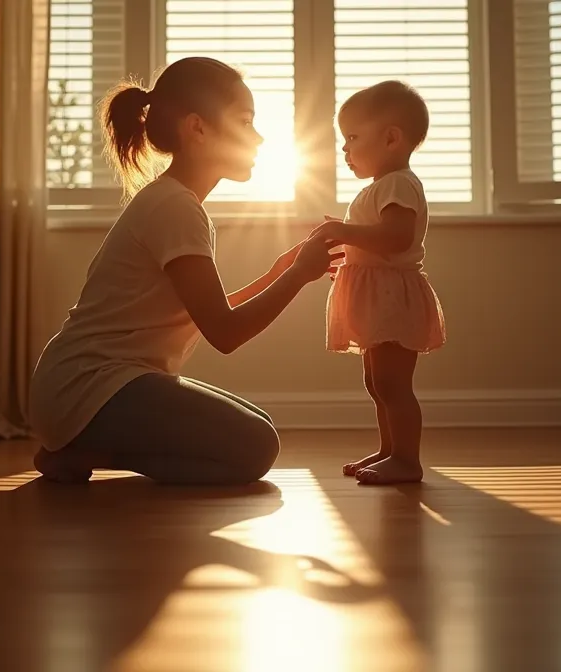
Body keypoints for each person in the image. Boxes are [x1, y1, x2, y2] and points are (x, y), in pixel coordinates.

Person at [29, 57, 342, 486]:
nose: (259, 137)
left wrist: (277, 273)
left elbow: (202, 312)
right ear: (197, 128)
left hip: (90, 386)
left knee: (257, 425)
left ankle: (78, 446)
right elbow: (224, 332)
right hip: (88, 389)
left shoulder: (176, 202)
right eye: (246, 122)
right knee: (256, 447)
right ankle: (83, 447)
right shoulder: (176, 208)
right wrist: (298, 276)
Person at [312, 81, 447, 485]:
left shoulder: (398, 184)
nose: (344, 149)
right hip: (379, 294)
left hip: (392, 297)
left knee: (392, 382)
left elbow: (396, 237)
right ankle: (390, 450)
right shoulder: (380, 187)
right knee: (377, 381)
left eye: (352, 137)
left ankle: (407, 460)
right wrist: (351, 255)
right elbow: (377, 241)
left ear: (391, 138)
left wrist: (345, 232)